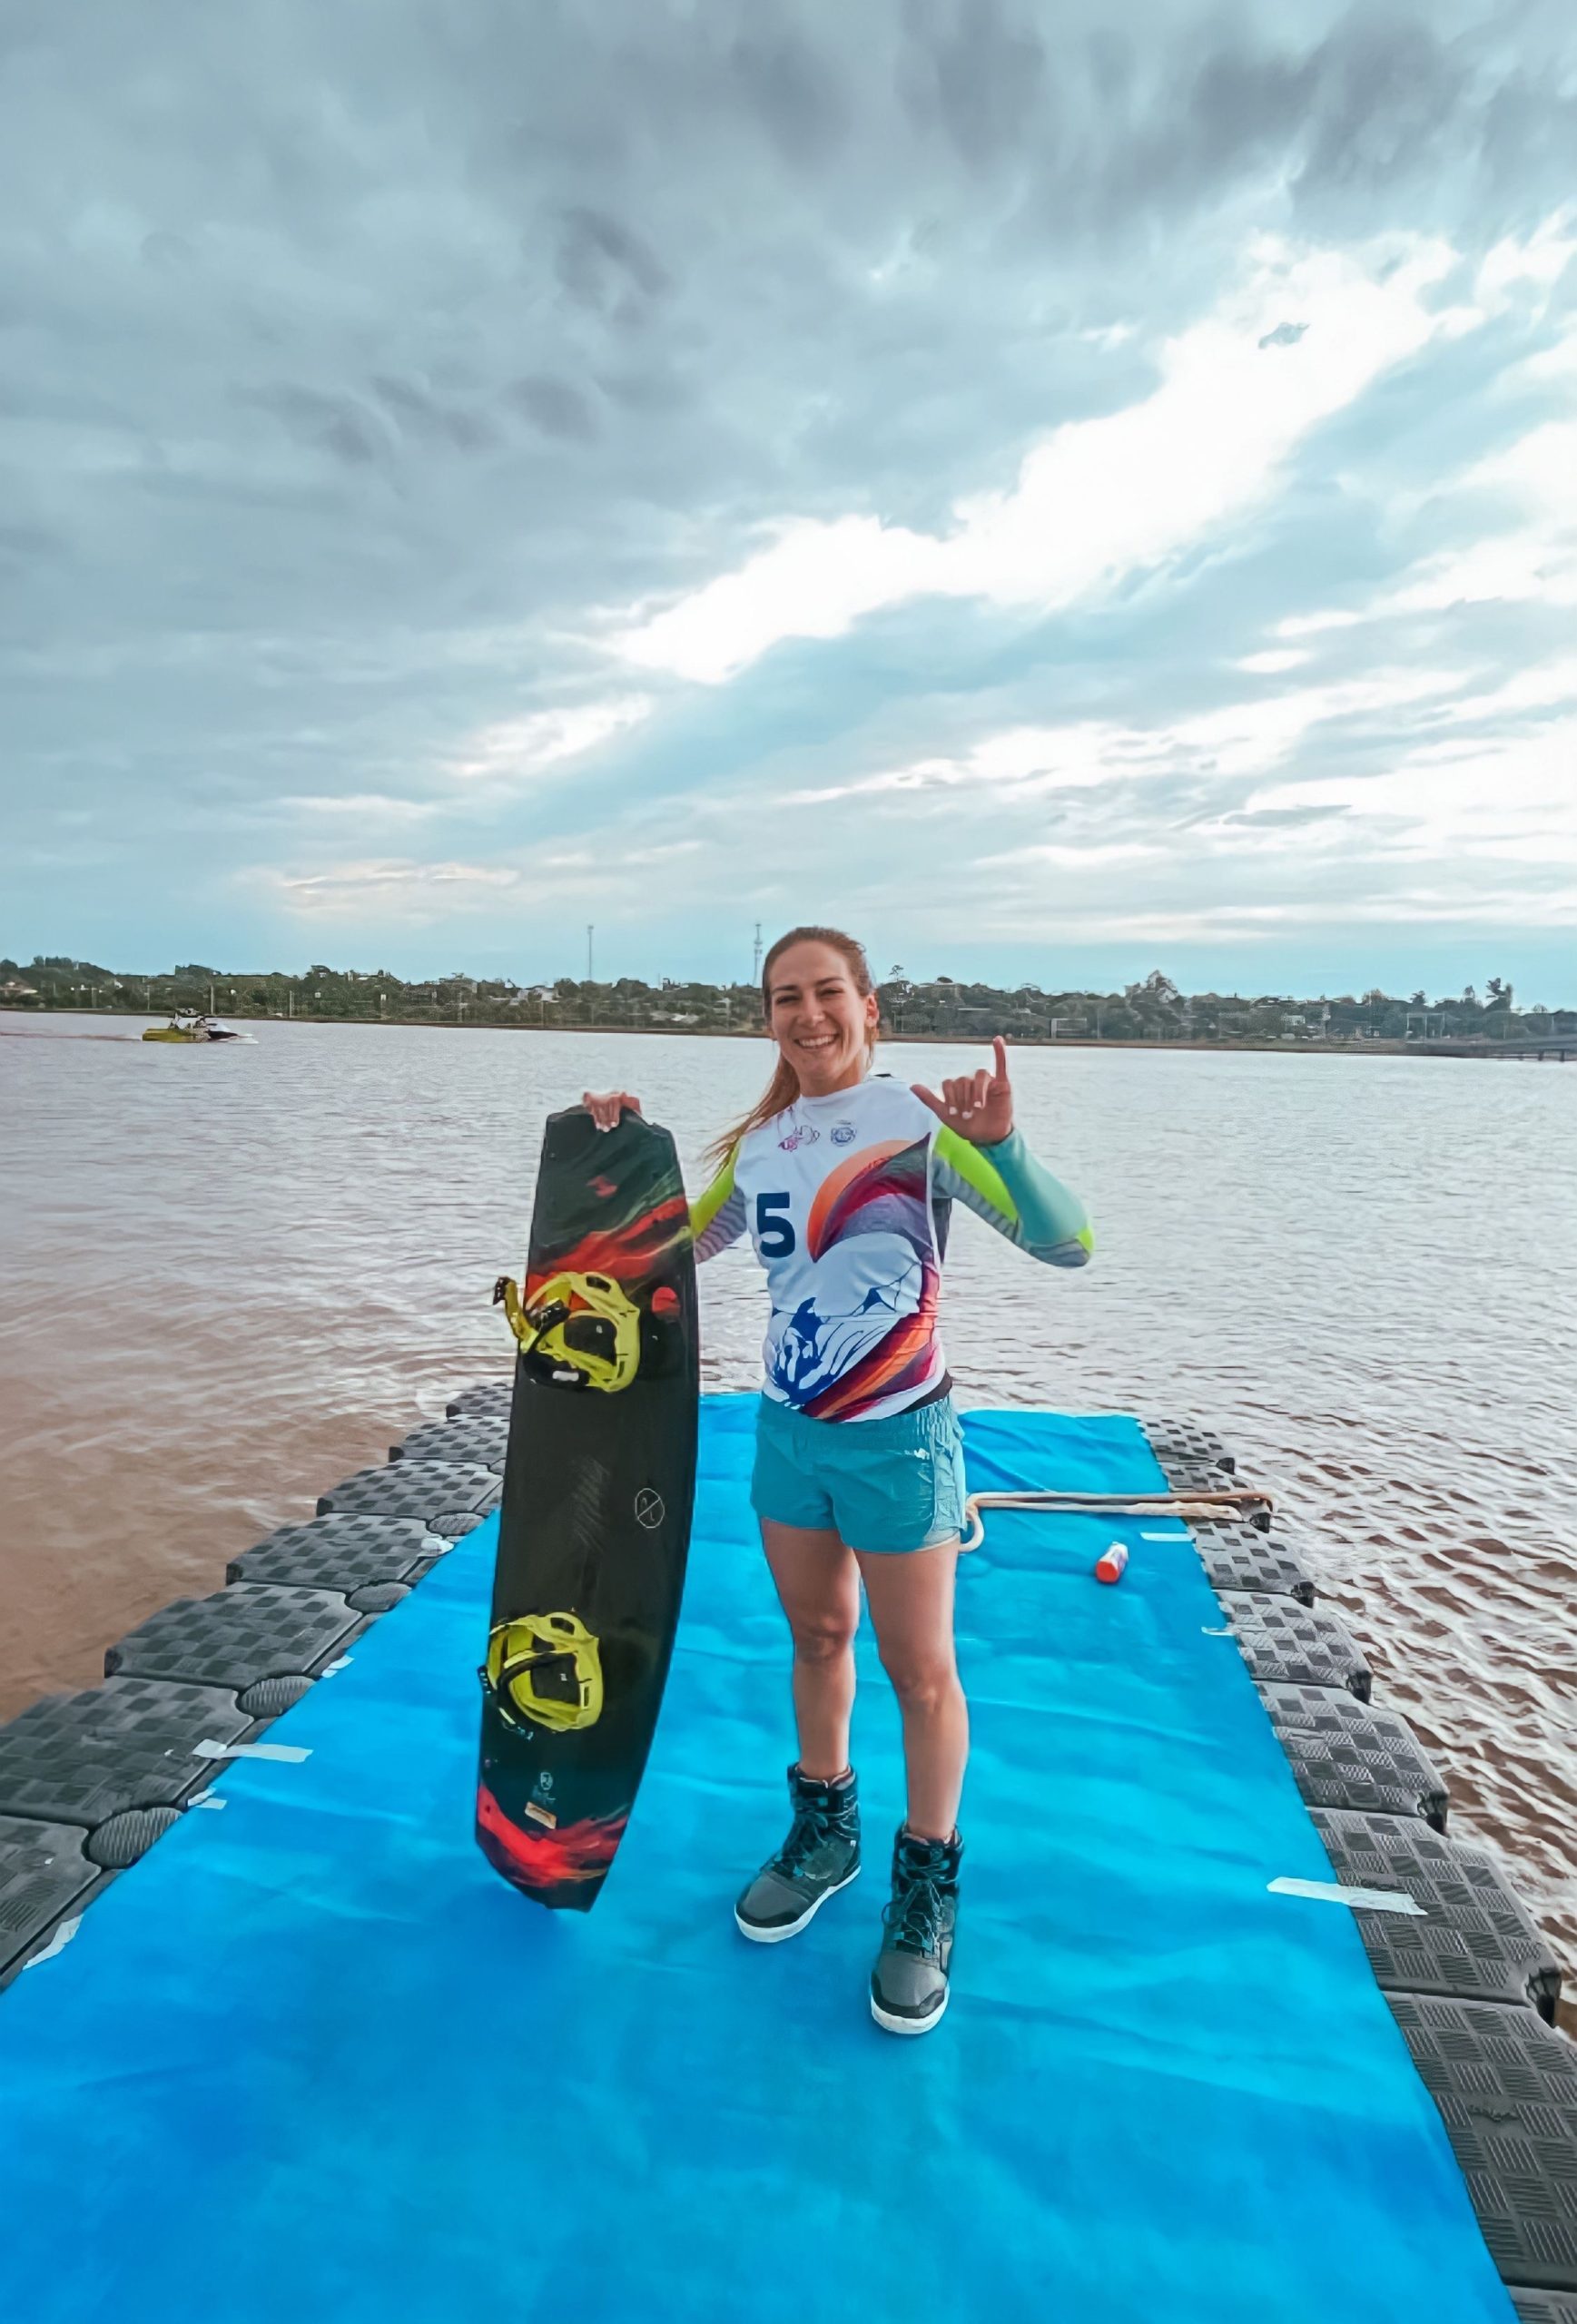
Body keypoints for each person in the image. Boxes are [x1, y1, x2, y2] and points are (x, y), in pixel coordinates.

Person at [584, 926, 1092, 2035]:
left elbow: (1069, 1245)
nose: (807, 1014)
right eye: (784, 998)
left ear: (869, 1006)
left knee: (920, 1672)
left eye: (826, 993)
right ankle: (827, 1833)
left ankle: (925, 1888)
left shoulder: (917, 1124)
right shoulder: (766, 1144)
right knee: (817, 1639)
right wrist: (612, 1151)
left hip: (902, 1436)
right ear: (766, 1017)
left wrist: (1001, 1150)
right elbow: (669, 1243)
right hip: (790, 1438)